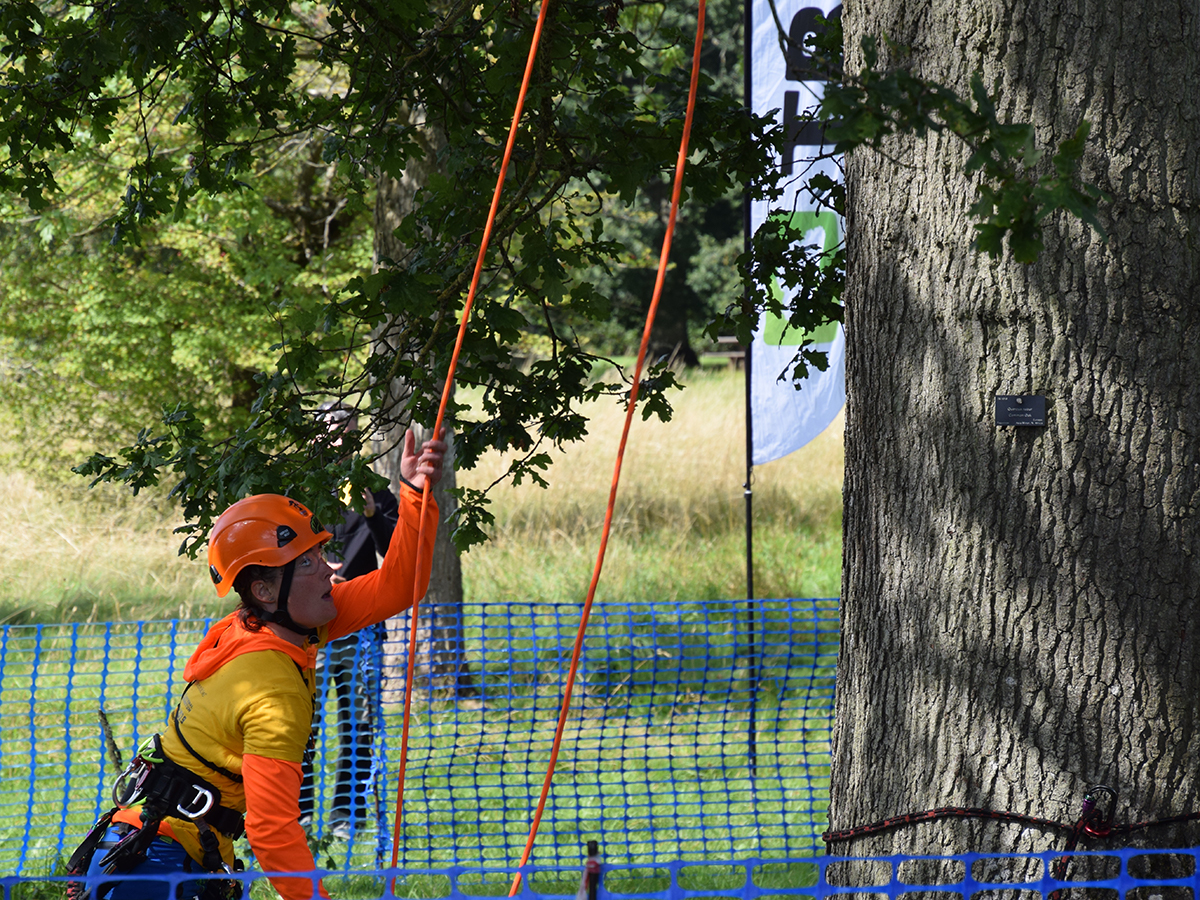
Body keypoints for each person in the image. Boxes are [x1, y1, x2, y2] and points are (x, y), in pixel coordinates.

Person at [69, 429, 445, 900]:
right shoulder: (273, 692)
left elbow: (400, 584)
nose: (330, 568)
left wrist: (413, 495)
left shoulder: (270, 624)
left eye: (321, 554)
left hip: (154, 848)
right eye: (309, 563)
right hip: (159, 865)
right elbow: (272, 831)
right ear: (266, 592)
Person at [299, 404, 400, 839]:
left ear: (359, 433)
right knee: (301, 724)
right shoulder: (297, 487)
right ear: (317, 435)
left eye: (347, 429)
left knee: (358, 724)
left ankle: (347, 817)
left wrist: (375, 513)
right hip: (307, 626)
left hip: (360, 623)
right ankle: (297, 814)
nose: (338, 438)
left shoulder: (376, 487)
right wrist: (317, 569)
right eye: (331, 430)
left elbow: (398, 549)